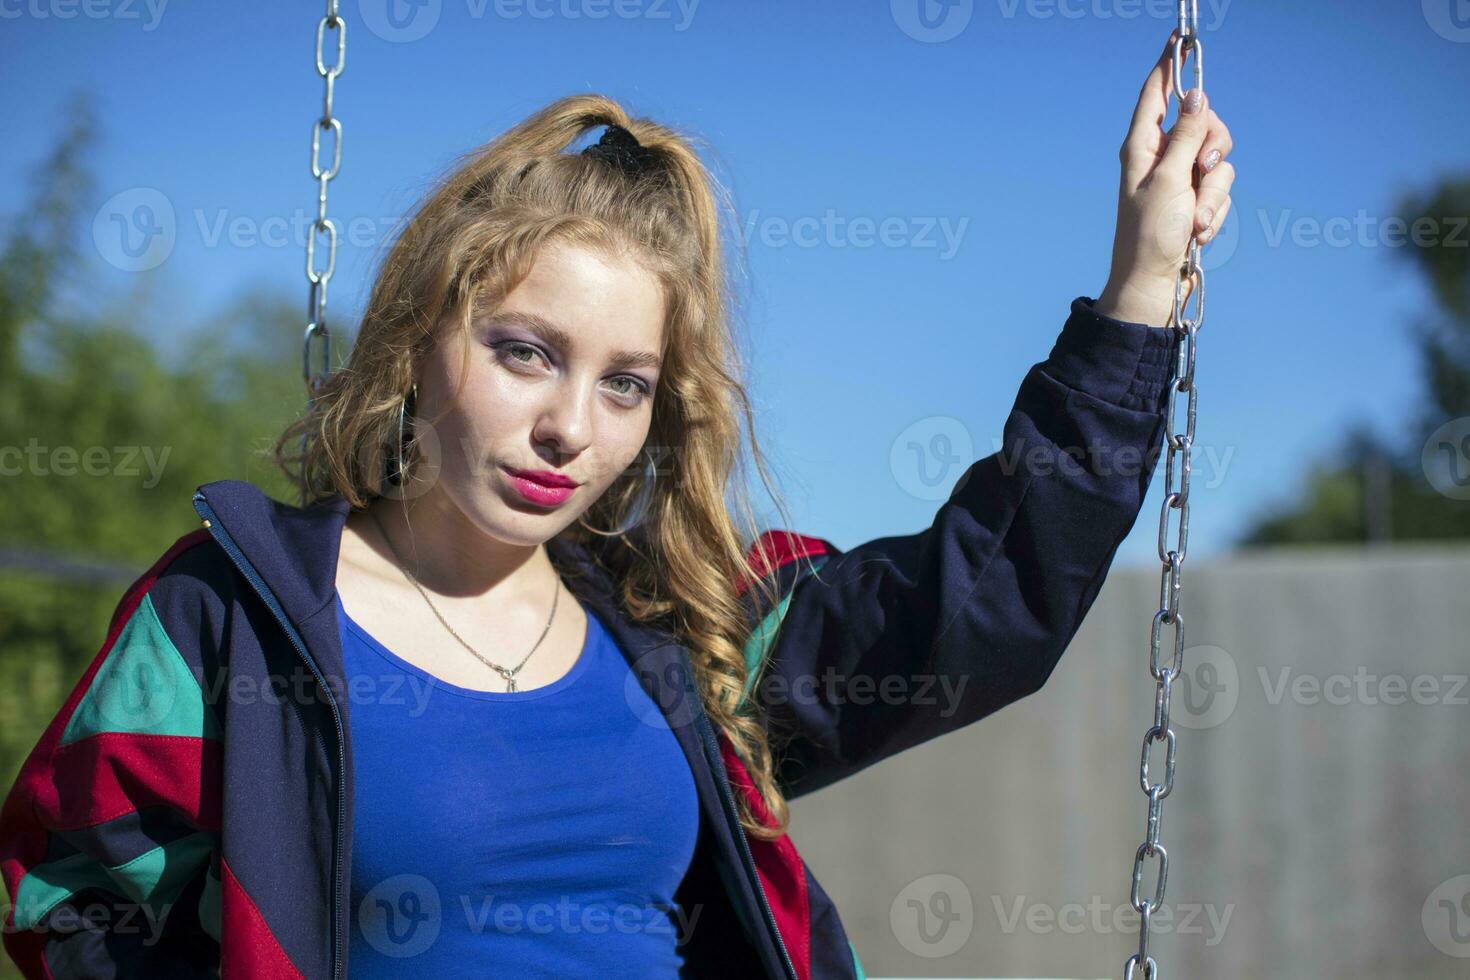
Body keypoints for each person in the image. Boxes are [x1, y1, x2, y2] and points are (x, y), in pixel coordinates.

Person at [0, 32, 1233, 980]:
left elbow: (984, 603)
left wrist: (1138, 297)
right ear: (422, 341)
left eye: (625, 382)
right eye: (526, 351)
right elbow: (68, 899)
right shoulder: (235, 614)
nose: (570, 429)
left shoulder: (684, 631)